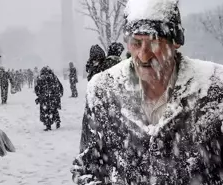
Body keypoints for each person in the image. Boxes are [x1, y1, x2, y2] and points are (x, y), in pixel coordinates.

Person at [72, 0, 223, 184]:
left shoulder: (214, 87)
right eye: (136, 42)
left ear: (175, 42)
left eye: (154, 42)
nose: (143, 55)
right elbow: (88, 170)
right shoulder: (103, 90)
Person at [35, 67, 63, 131]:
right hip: (53, 97)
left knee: (46, 111)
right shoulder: (54, 77)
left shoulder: (41, 78)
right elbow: (59, 86)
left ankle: (48, 125)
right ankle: (57, 121)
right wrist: (59, 94)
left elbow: (37, 88)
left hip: (45, 98)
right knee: (54, 110)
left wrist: (39, 96)